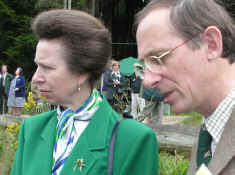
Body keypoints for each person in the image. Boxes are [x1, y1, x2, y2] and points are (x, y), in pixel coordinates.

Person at [10, 9, 158, 175]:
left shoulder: (133, 139)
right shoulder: (32, 129)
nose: (36, 77)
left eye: (47, 68)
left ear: (81, 73)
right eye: (37, 65)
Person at [135, 0, 235, 174]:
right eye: (145, 65)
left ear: (211, 44)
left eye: (158, 58)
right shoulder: (207, 138)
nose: (148, 81)